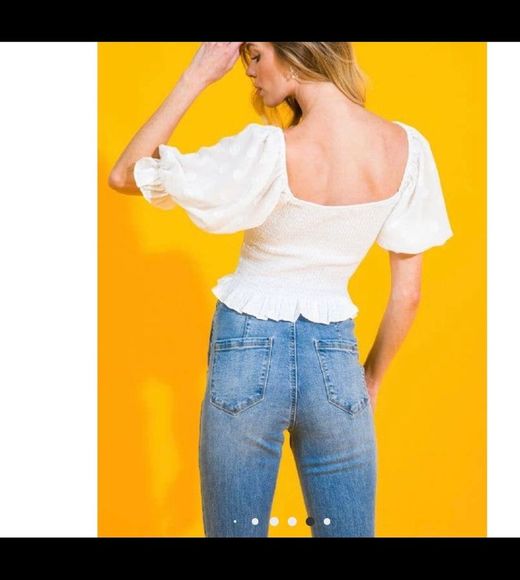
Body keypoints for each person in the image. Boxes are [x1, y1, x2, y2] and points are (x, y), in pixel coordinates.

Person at [108, 42, 454, 538]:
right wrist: (372, 379)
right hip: (336, 360)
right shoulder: (407, 151)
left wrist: (196, 75)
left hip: (246, 350)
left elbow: (125, 173)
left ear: (294, 56)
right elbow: (408, 295)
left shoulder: (267, 151)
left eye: (255, 55)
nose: (248, 71)